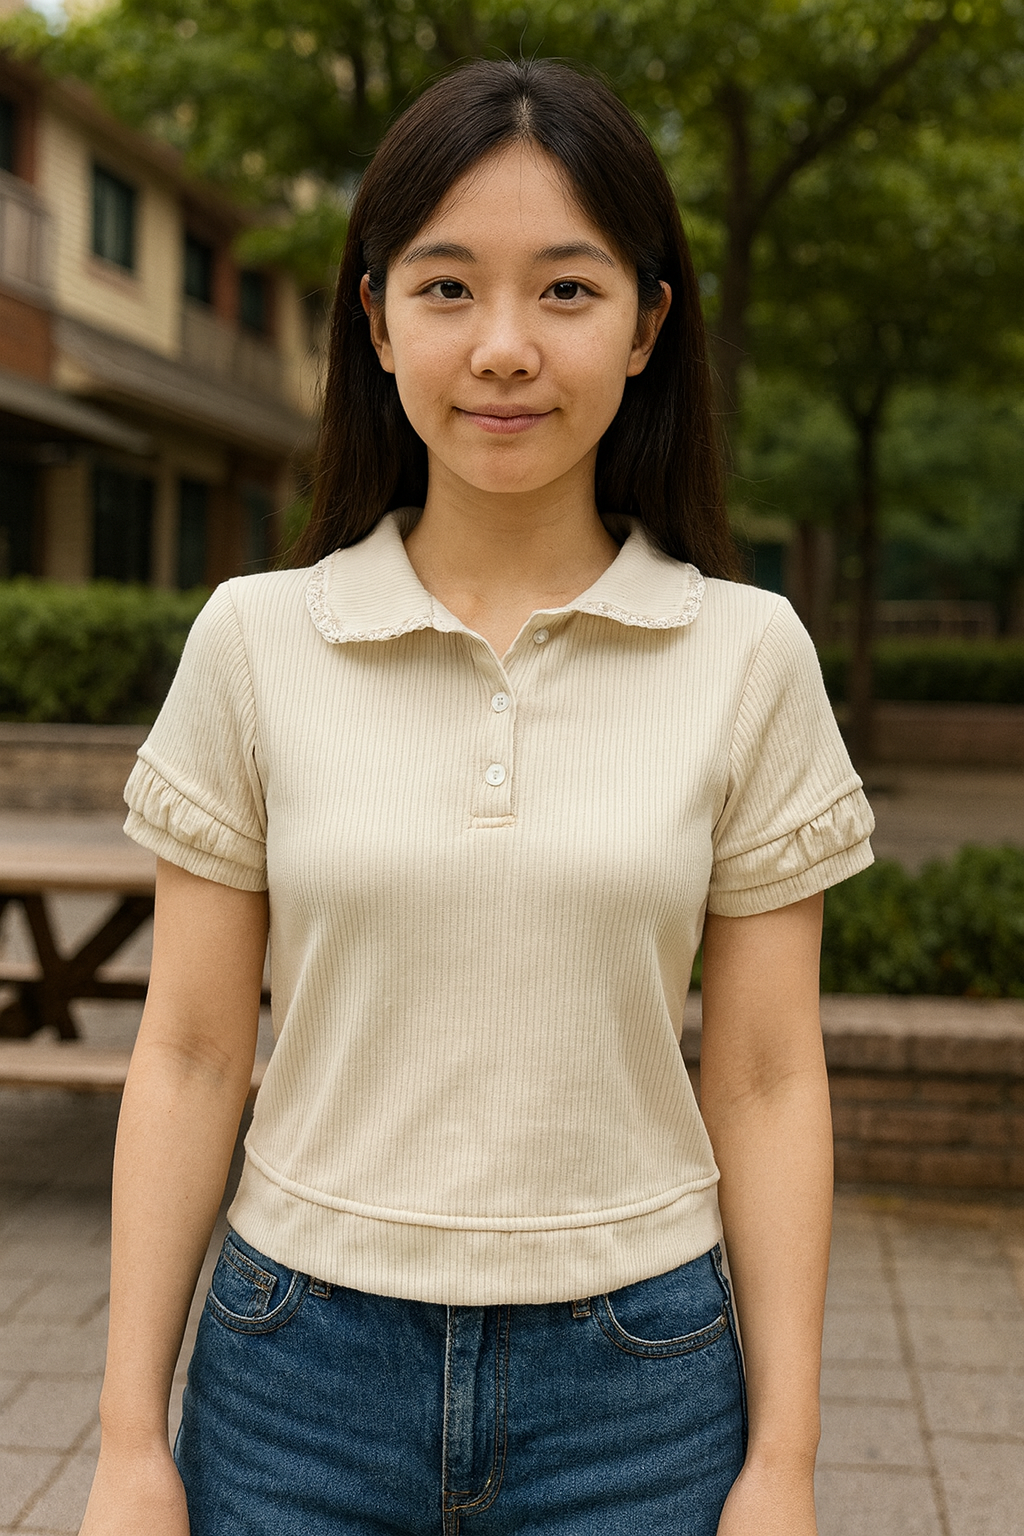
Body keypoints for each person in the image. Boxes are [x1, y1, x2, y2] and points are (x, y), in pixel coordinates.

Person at [81, 57, 873, 1536]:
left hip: (641, 1392)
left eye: (566, 290)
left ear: (649, 323)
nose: (504, 346)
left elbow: (766, 1076)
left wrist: (788, 1461)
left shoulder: (748, 654)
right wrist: (130, 1443)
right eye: (446, 289)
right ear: (373, 319)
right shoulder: (256, 641)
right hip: (292, 1381)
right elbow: (189, 1053)